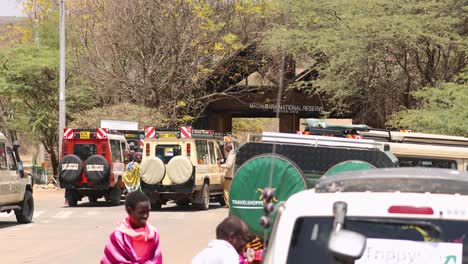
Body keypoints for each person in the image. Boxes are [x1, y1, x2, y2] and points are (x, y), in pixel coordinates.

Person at [101, 191, 162, 264]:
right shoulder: (118, 238)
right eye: (141, 212)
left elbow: (156, 260)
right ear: (129, 211)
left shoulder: (153, 234)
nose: (145, 216)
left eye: (147, 212)